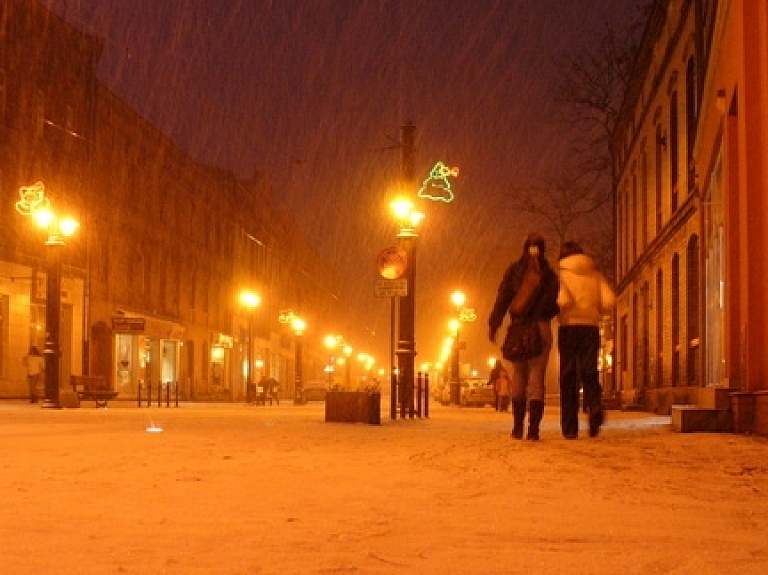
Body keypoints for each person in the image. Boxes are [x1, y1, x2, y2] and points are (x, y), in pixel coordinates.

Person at [488, 233, 559, 440]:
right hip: (540, 328)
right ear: (543, 249)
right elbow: (554, 306)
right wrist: (542, 312)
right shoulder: (549, 275)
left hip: (519, 328)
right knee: (537, 378)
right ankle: (534, 430)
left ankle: (517, 427)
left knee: (519, 375)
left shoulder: (514, 272)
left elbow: (503, 298)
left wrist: (494, 322)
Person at [556, 241, 616, 438]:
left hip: (568, 327)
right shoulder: (594, 273)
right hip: (590, 327)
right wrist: (595, 310)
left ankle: (570, 427)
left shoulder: (561, 274)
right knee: (589, 372)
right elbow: (609, 300)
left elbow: (562, 300)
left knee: (568, 376)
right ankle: (595, 405)